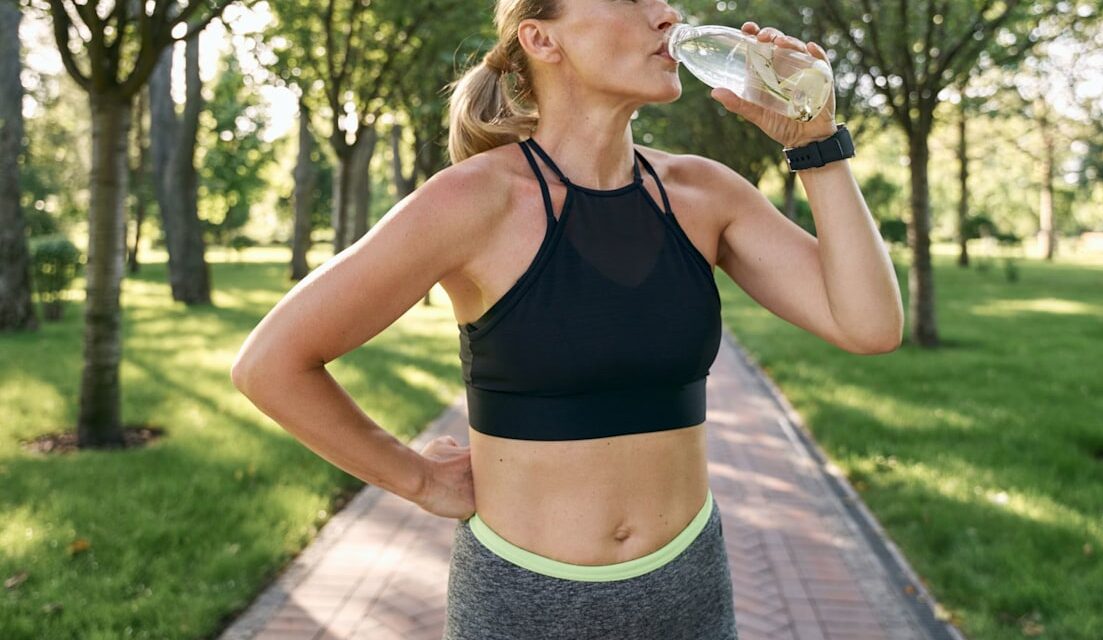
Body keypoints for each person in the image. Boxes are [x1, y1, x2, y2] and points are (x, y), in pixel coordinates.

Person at [231, 0, 904, 638]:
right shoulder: (473, 201)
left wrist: (816, 144)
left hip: (689, 590)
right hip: (523, 600)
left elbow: (868, 326)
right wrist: (418, 479)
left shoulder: (706, 195)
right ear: (541, 38)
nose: (666, 14)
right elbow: (272, 364)